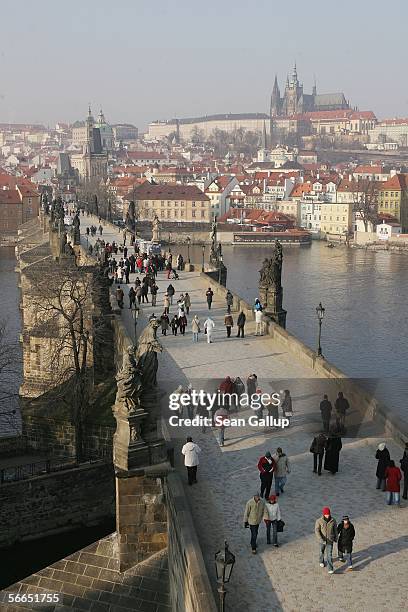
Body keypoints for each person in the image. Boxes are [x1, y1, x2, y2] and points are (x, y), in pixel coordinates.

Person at [315, 507, 337, 574]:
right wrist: (321, 539)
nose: (327, 515)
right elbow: (317, 531)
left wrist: (336, 537)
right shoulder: (319, 521)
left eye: (328, 514)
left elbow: (335, 530)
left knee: (329, 554)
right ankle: (321, 561)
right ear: (323, 514)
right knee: (321, 551)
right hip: (322, 541)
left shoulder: (333, 520)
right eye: (326, 514)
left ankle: (330, 568)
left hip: (330, 540)